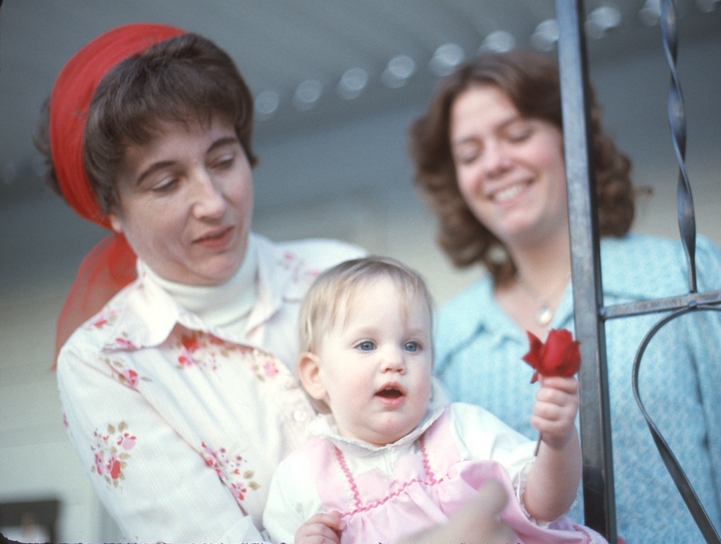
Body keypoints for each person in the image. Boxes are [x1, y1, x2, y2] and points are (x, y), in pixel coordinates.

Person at [37, 24, 511, 543]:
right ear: (113, 210)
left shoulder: (340, 271)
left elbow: (449, 446)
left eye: (223, 160)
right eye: (167, 182)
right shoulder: (106, 361)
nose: (214, 203)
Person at [408, 49, 721, 543]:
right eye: (469, 154)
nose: (495, 164)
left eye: (518, 134)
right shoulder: (446, 336)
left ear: (571, 138)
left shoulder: (679, 274)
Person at [262, 256, 607, 544]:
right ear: (315, 376)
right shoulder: (300, 478)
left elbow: (546, 505)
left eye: (412, 345)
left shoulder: (463, 430)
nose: (395, 361)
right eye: (366, 345)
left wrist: (558, 441)